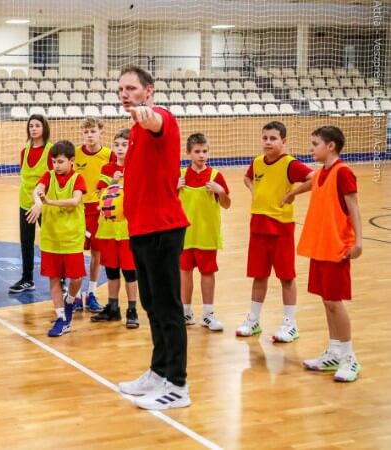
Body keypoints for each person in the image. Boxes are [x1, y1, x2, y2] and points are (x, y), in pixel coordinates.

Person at [115, 65, 191, 410]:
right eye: (121, 89)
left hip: (163, 229)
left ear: (149, 90)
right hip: (141, 229)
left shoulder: (160, 118)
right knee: (151, 305)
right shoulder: (134, 130)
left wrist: (148, 114)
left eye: (131, 88)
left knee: (168, 308)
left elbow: (157, 120)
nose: (125, 94)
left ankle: (178, 384)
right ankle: (159, 372)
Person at [285, 126, 363, 382]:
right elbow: (310, 184)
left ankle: (349, 357)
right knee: (327, 302)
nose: (311, 148)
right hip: (321, 248)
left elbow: (354, 207)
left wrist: (358, 242)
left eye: (315, 143)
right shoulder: (321, 172)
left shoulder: (343, 172)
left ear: (331, 146)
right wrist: (292, 193)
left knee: (335, 303)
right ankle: (334, 351)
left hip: (337, 248)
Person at [236, 121, 312, 342]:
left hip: (281, 227)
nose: (268, 142)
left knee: (286, 277)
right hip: (258, 225)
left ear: (283, 141)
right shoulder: (257, 162)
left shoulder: (290, 163)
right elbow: (247, 177)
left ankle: (290, 324)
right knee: (259, 275)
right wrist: (253, 190)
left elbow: (314, 178)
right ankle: (253, 320)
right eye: (265, 138)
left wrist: (292, 194)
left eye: (273, 138)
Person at [26, 140, 87, 338]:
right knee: (53, 279)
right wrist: (37, 202)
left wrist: (49, 202)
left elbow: (75, 201)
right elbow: (37, 190)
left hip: (71, 238)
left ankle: (70, 300)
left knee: (76, 278)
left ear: (71, 160)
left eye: (60, 162)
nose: (56, 165)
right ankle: (61, 318)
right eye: (53, 162)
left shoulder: (78, 178)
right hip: (51, 238)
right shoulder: (48, 176)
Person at [177, 133, 230, 332]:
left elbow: (227, 204)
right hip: (185, 235)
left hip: (207, 235)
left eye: (205, 151)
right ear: (188, 153)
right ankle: (185, 312)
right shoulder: (181, 176)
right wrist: (174, 188)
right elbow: (168, 202)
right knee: (185, 273)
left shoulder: (216, 176)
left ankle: (208, 314)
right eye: (197, 151)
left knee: (207, 273)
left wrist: (220, 191)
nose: (201, 155)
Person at [91, 129, 139, 328]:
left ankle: (132, 309)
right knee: (111, 270)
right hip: (108, 227)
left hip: (128, 229)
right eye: (117, 145)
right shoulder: (107, 168)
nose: (120, 149)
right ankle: (113, 307)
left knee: (130, 272)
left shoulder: (137, 167)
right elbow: (99, 193)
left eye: (124, 145)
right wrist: (113, 182)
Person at [73, 117, 113, 313]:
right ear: (82, 133)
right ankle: (75, 295)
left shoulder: (108, 155)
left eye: (93, 131)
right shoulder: (75, 154)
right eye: (86, 132)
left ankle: (91, 293)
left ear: (101, 132)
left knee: (97, 252)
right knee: (76, 252)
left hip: (99, 209)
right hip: (79, 209)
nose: (89, 135)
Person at [10, 114, 53, 294]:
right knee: (26, 242)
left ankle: (60, 279)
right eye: (31, 126)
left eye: (37, 125)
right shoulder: (24, 151)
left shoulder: (51, 150)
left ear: (44, 128)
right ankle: (27, 279)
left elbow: (53, 177)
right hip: (25, 202)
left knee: (51, 241)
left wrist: (42, 201)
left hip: (44, 204)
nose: (34, 129)